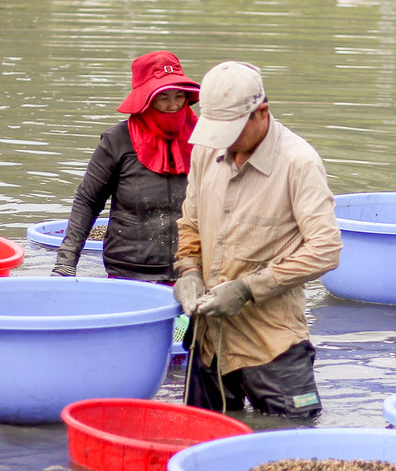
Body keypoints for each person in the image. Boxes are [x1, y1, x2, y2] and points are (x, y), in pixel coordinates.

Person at [172, 61, 342, 419]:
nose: (224, 142)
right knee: (199, 438)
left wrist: (247, 288)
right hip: (208, 337)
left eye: (231, 131)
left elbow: (325, 249)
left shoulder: (298, 162)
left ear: (261, 112)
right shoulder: (205, 151)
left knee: (293, 439)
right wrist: (188, 270)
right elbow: (190, 222)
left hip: (271, 343)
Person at [52, 50, 200, 281]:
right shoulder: (117, 141)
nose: (173, 106)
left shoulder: (204, 139)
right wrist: (66, 262)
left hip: (192, 270)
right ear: (146, 100)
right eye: (163, 98)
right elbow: (88, 201)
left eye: (179, 96)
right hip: (130, 270)